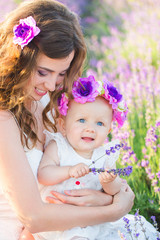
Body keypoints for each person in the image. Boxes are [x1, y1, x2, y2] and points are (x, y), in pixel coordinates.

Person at [0, 1, 135, 240]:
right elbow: (34, 218)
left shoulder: (45, 103)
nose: (52, 85)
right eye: (43, 72)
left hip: (66, 226)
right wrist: (113, 209)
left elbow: (83, 162)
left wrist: (105, 195)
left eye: (61, 73)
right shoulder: (3, 118)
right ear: (17, 60)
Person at [32, 75, 159, 240]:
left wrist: (109, 182)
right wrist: (69, 171)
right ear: (63, 126)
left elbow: (113, 192)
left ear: (108, 130)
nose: (90, 128)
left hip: (94, 221)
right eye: (82, 120)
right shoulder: (59, 147)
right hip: (61, 219)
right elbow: (43, 175)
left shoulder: (104, 155)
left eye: (100, 123)